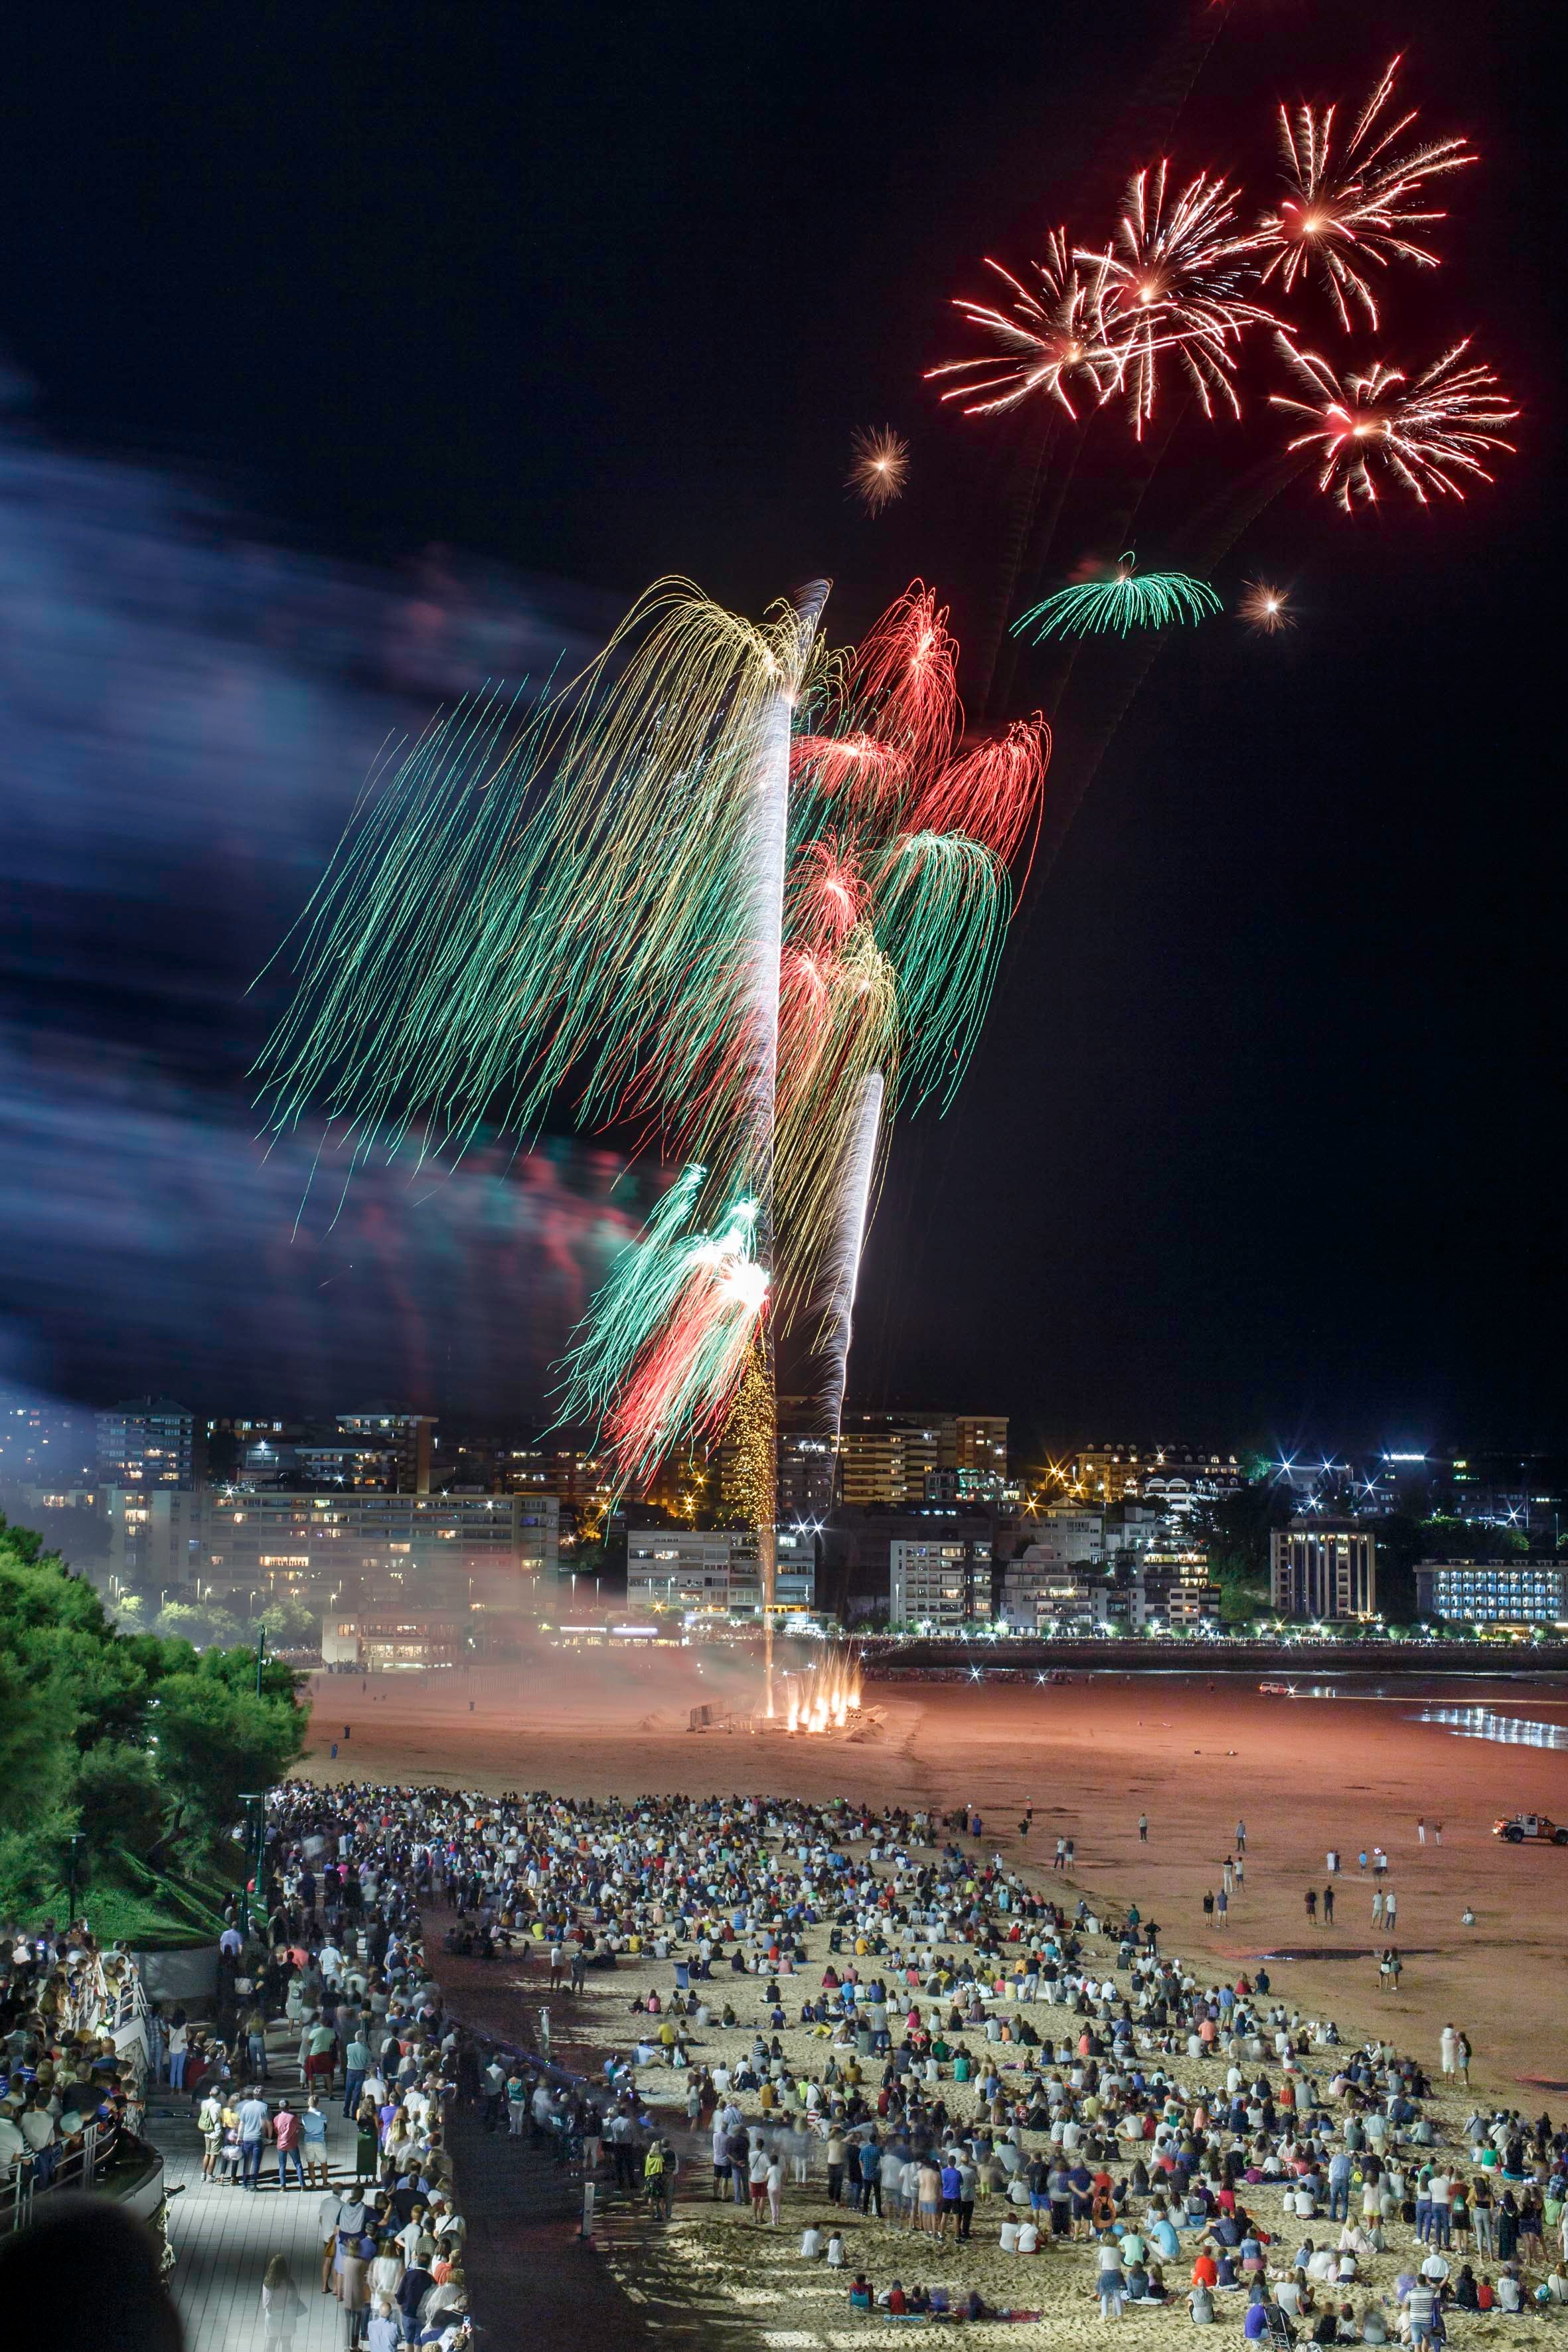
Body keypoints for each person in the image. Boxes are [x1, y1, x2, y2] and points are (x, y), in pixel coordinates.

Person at [262, 2253, 303, 2350]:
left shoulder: (267, 2283)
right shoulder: (289, 2282)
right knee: (286, 2344)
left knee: (271, 2343)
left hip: (272, 2317)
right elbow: (294, 2298)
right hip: (288, 2316)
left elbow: (266, 2304)